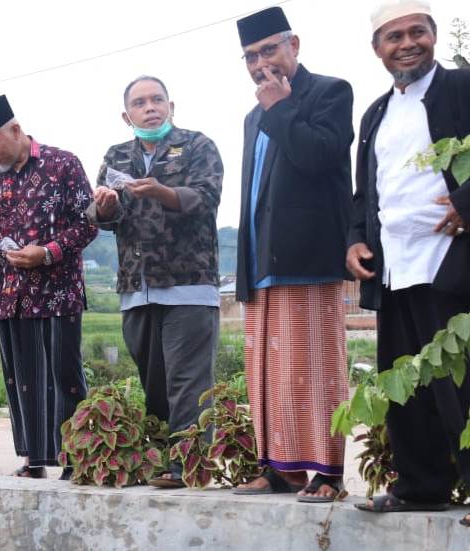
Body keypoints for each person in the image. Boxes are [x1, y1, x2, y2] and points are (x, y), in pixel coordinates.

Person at [347, 0, 470, 512]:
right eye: (393, 38)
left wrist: (467, 202)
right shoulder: (376, 112)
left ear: (434, 36)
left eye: (416, 32)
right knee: (407, 385)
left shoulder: (463, 87)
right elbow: (363, 191)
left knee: (461, 381)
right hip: (394, 265)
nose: (406, 44)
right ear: (378, 50)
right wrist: (354, 239)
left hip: (451, 260)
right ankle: (421, 489)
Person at [0, 95, 97, 479]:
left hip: (58, 292)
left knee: (63, 378)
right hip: (11, 296)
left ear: (15, 130)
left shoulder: (63, 164)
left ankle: (77, 460)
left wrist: (49, 252)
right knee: (21, 381)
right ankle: (33, 461)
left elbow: (88, 222)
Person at [231, 7, 353, 501]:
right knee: (268, 373)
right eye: (250, 56)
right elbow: (253, 193)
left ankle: (328, 472)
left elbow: (320, 156)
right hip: (263, 261)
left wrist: (281, 109)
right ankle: (280, 469)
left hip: (308, 256)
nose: (261, 63)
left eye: (269, 50)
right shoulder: (251, 115)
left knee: (314, 369)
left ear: (293, 45)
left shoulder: (329, 91)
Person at [91, 76, 223, 488]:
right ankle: (164, 458)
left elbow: (205, 199)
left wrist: (162, 192)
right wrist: (104, 207)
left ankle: (190, 465)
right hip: (136, 287)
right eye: (140, 102)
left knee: (188, 381)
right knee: (155, 382)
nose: (150, 107)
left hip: (189, 283)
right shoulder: (117, 155)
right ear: (126, 114)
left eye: (157, 100)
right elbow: (101, 219)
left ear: (171, 105)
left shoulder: (198, 145)